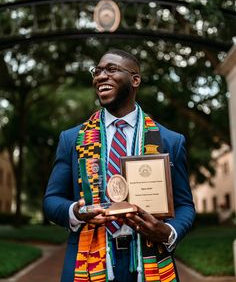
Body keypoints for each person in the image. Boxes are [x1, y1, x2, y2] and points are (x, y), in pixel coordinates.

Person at [43, 49, 195, 282]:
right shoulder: (72, 139)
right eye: (97, 71)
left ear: (135, 80)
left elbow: (185, 205)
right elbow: (51, 201)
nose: (100, 76)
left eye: (111, 69)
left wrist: (168, 232)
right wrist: (78, 211)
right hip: (89, 262)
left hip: (149, 261)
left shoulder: (170, 141)